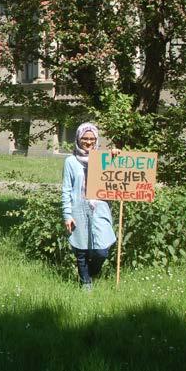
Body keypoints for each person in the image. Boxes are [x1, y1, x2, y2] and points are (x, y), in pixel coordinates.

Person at [61, 122, 118, 291]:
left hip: (99, 208)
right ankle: (85, 283)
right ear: (78, 139)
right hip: (78, 207)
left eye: (92, 139)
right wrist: (67, 214)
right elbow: (66, 189)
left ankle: (92, 273)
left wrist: (116, 155)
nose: (88, 142)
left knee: (102, 250)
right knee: (81, 250)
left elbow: (116, 171)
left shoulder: (104, 159)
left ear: (96, 139)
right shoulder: (70, 161)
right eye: (85, 138)